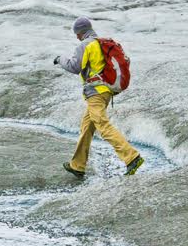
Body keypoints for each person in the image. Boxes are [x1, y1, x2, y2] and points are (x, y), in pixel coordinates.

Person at [54, 16, 144, 179]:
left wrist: (60, 60)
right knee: (87, 127)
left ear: (80, 33)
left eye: (76, 34)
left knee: (102, 125)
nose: (76, 37)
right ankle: (78, 166)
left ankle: (131, 157)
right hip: (106, 91)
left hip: (95, 92)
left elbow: (74, 67)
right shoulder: (102, 43)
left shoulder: (85, 45)